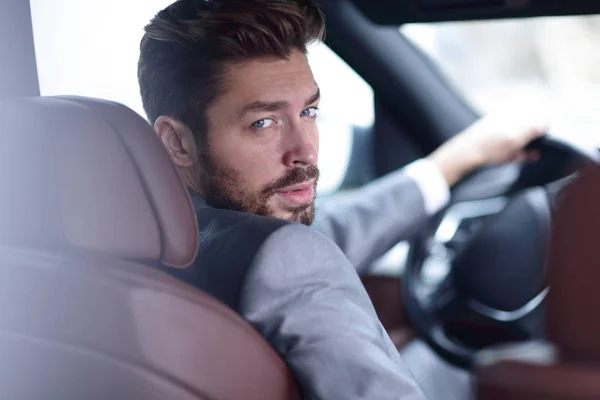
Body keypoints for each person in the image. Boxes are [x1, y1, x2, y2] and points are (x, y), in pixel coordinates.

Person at [137, 1, 545, 398]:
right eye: (263, 122)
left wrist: (454, 161)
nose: (305, 150)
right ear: (177, 142)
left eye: (309, 112)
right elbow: (293, 257)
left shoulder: (147, 236)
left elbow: (315, 237)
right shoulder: (284, 258)